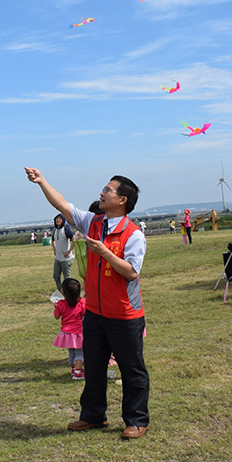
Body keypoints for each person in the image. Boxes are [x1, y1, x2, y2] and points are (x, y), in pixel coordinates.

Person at [25, 166, 150, 440]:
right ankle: (93, 416)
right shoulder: (93, 222)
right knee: (93, 365)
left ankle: (137, 420)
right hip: (94, 312)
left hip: (124, 315)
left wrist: (105, 252)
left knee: (132, 369)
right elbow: (62, 204)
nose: (102, 193)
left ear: (122, 200)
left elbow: (131, 271)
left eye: (108, 190)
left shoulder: (133, 234)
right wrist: (41, 181)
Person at [53, 278, 86, 380]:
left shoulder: (61, 304)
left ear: (63, 292)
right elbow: (85, 314)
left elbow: (56, 316)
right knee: (80, 353)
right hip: (78, 333)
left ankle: (74, 369)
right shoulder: (81, 303)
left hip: (66, 333)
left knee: (71, 352)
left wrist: (56, 308)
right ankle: (77, 372)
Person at [52, 214, 75, 293]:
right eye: (57, 219)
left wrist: (69, 251)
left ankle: (69, 294)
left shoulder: (66, 229)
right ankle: (61, 292)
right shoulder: (55, 230)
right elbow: (53, 240)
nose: (58, 220)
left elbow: (74, 240)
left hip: (66, 259)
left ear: (63, 220)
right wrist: (54, 249)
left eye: (60, 218)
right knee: (56, 276)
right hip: (58, 258)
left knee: (67, 278)